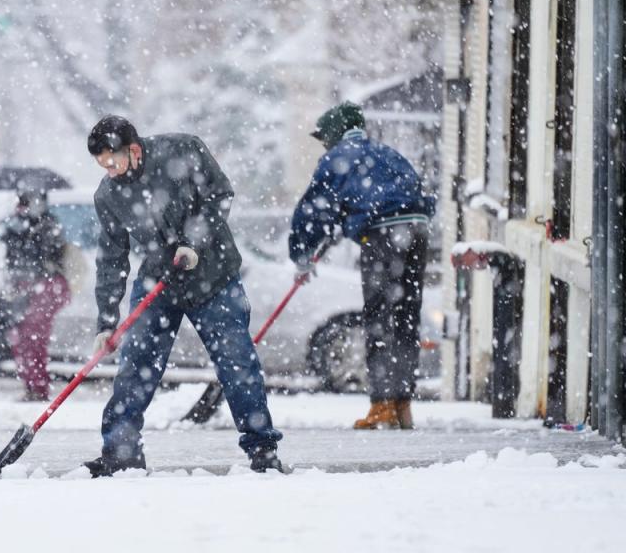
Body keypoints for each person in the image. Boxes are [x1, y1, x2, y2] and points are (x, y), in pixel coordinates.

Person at [83, 115, 283, 477]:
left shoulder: (182, 150)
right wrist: (106, 322)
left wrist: (194, 243)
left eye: (113, 162)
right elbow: (112, 259)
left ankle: (262, 449)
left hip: (213, 275)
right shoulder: (108, 195)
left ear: (134, 150)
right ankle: (121, 452)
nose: (110, 171)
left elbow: (219, 194)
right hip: (160, 280)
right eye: (102, 165)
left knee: (236, 361)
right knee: (136, 364)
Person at [288, 102, 435, 430]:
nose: (324, 144)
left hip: (384, 238)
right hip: (416, 232)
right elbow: (418, 196)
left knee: (379, 319)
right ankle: (402, 403)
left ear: (335, 134)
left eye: (325, 137)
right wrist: (353, 219)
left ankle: (382, 406)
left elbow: (313, 211)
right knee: (406, 318)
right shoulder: (388, 154)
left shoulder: (337, 159)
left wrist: (302, 254)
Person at [1, 187, 71, 402]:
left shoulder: (48, 225)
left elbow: (51, 255)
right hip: (23, 285)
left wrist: (34, 231)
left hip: (45, 284)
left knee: (34, 336)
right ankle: (31, 384)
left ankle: (38, 387)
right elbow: (11, 256)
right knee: (20, 337)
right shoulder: (14, 225)